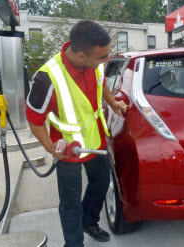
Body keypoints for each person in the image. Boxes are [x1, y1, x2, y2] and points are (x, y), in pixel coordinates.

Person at [26, 20, 127, 247]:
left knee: (101, 183)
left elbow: (102, 85)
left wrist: (113, 102)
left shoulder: (96, 62)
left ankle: (89, 222)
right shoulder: (47, 78)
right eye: (103, 57)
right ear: (81, 55)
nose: (107, 60)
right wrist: (51, 148)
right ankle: (74, 243)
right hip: (68, 149)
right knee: (70, 201)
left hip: (95, 140)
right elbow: (34, 120)